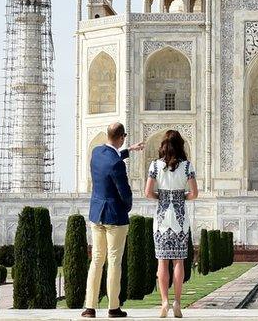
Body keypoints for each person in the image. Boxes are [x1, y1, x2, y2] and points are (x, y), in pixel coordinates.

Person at [82, 122, 144, 319]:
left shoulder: (96, 152)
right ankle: (113, 307)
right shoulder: (117, 164)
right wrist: (126, 208)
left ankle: (89, 307)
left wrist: (129, 150)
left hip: (96, 214)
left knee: (97, 261)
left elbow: (110, 159)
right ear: (121, 137)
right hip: (114, 216)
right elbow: (124, 192)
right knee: (114, 262)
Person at [145, 129, 198, 318]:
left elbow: (148, 193)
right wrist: (180, 196)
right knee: (178, 262)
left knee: (162, 261)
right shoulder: (187, 167)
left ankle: (164, 302)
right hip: (180, 219)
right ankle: (177, 302)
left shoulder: (154, 166)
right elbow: (194, 194)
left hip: (161, 219)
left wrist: (162, 196)